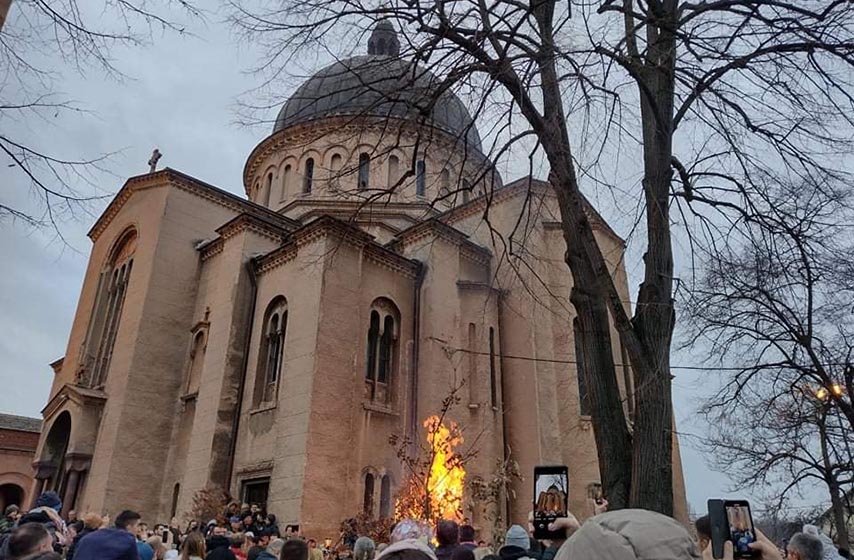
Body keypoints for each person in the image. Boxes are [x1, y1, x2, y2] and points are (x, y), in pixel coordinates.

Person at [72, 509, 145, 560]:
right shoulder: (127, 539)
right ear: (129, 527)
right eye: (138, 526)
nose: (139, 530)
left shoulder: (89, 537)